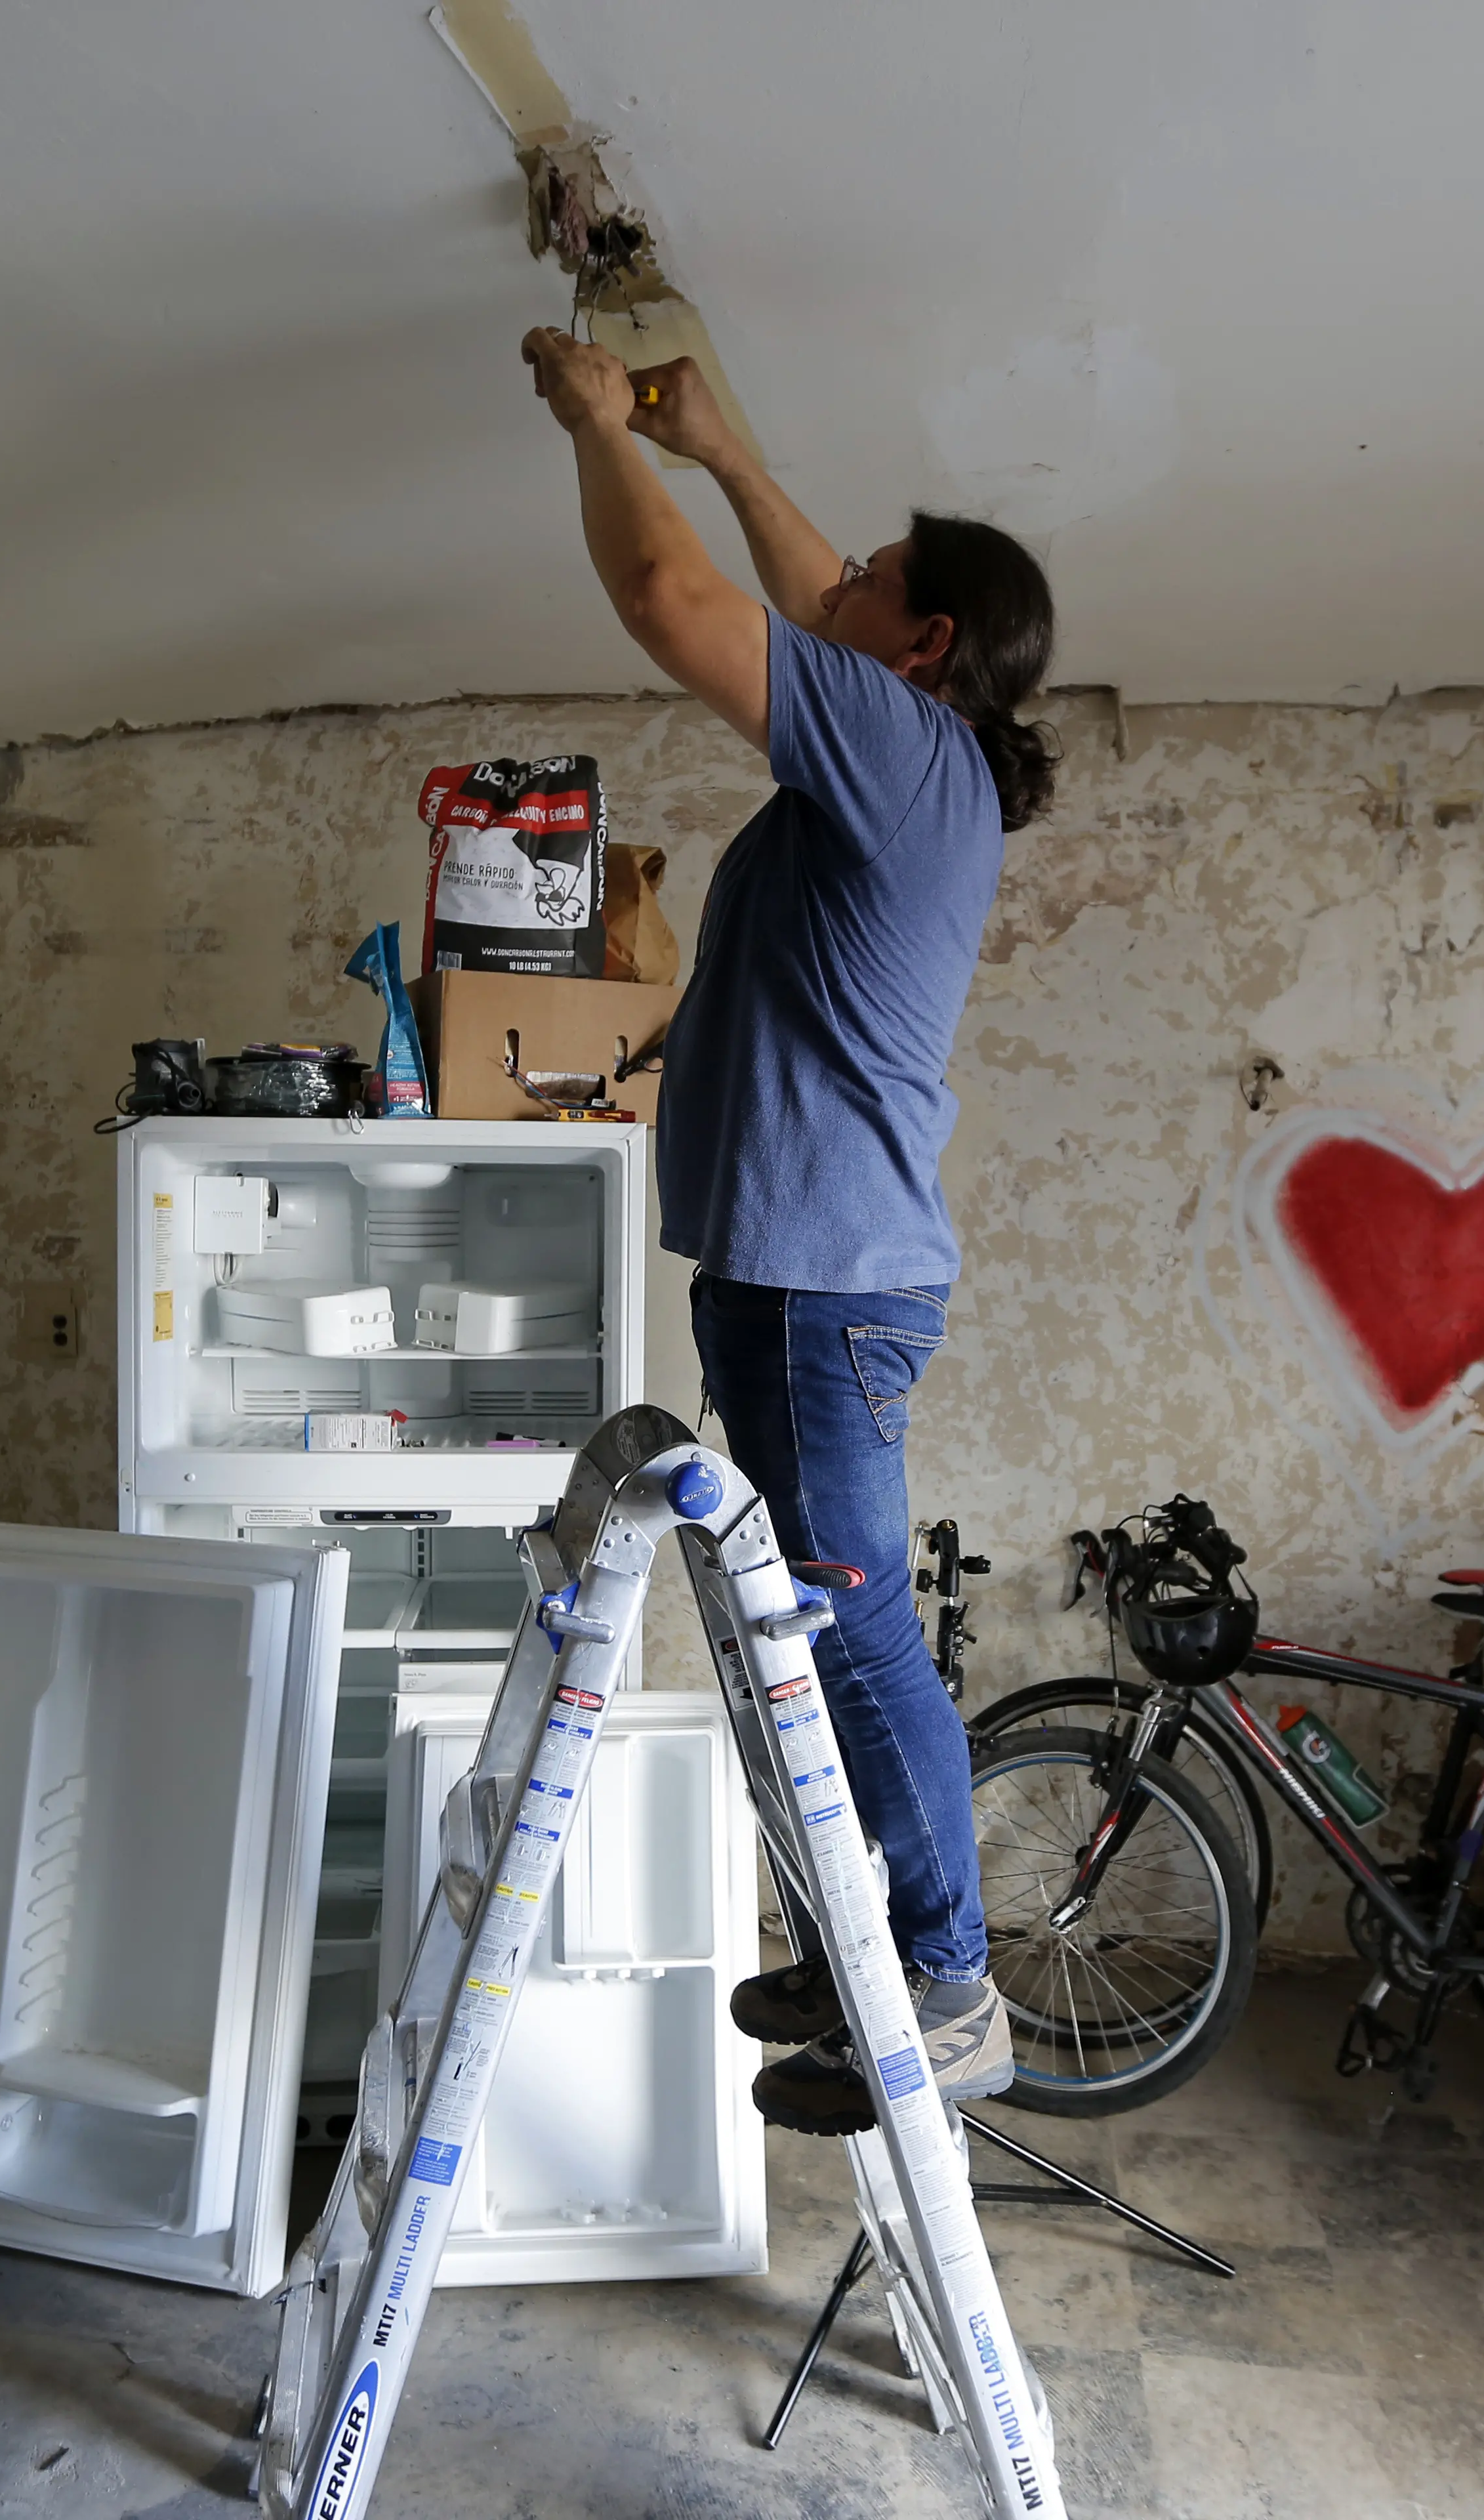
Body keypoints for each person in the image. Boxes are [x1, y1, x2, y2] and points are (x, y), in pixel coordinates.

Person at [520, 326, 1058, 2133]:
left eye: (874, 582)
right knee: (801, 1622)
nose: (833, 581)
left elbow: (676, 597)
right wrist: (733, 441)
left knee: (850, 1622)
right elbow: (803, 576)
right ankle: (867, 1947)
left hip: (830, 1283)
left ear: (924, 650)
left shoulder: (905, 747)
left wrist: (609, 434)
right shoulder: (898, 752)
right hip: (782, 1264)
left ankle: (954, 1985)